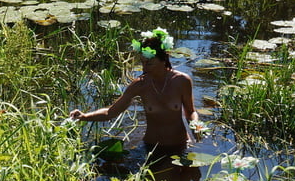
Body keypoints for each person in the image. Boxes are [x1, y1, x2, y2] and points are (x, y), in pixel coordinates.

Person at [70, 28, 202, 162]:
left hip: (181, 146)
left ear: (164, 59)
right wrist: (84, 116)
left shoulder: (182, 81)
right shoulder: (140, 85)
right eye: (142, 62)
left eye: (149, 63)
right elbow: (110, 113)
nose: (144, 68)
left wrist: (196, 125)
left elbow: (190, 112)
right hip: (151, 148)